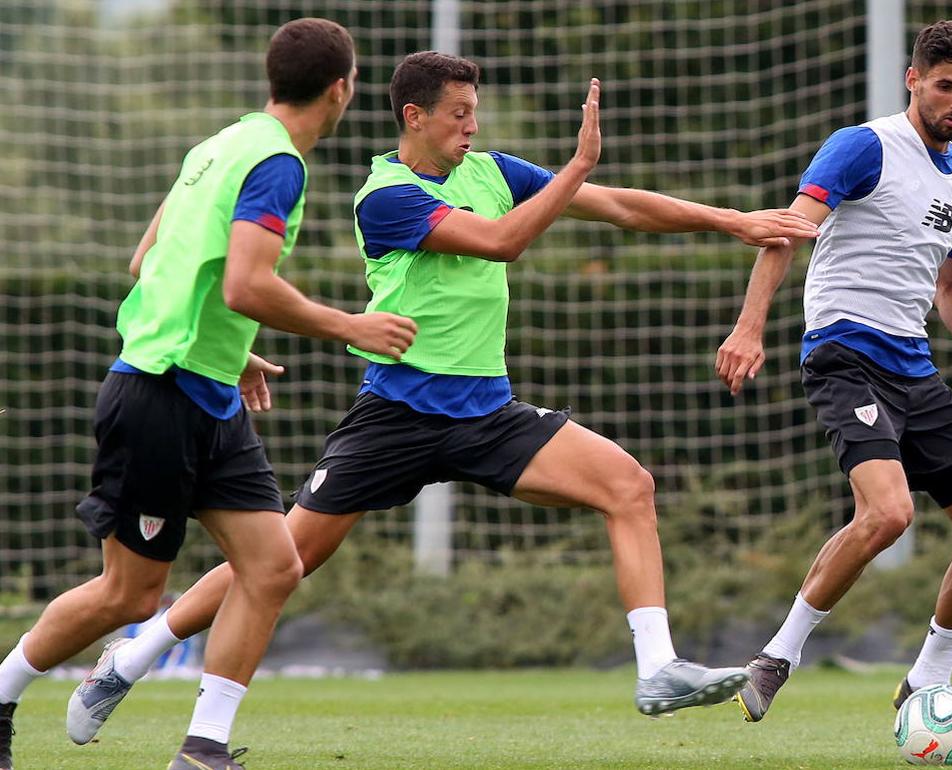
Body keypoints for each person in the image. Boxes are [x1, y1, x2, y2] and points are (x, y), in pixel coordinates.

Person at [63, 49, 820, 737]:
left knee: (629, 485)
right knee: (282, 556)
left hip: (486, 412)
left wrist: (733, 221)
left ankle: (657, 666)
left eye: (475, 113)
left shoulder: (490, 171)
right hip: (396, 415)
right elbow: (503, 241)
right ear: (413, 117)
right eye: (458, 114)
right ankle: (133, 658)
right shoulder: (383, 196)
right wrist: (575, 167)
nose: (471, 127)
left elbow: (619, 206)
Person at [0, 18, 417, 770]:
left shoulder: (219, 144)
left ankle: (202, 749)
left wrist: (234, 347)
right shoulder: (279, 163)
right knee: (128, 596)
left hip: (208, 395)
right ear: (342, 89)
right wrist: (350, 323)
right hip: (159, 395)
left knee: (275, 566)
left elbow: (149, 259)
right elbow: (247, 282)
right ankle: (1, 692)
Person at [714, 20, 952, 757]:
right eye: (945, 85)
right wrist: (749, 327)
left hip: (914, 367)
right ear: (912, 79)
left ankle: (925, 681)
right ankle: (776, 656)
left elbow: (951, 283)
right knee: (886, 515)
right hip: (845, 356)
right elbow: (787, 230)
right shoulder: (864, 145)